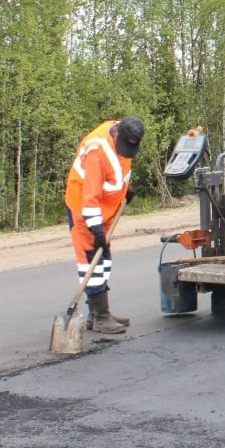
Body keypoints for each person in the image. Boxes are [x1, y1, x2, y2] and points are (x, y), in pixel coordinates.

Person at [64, 117, 144, 334]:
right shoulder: (97, 152)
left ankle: (96, 313)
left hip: (107, 210)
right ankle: (101, 317)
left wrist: (124, 188)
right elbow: (90, 197)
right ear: (116, 134)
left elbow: (118, 168)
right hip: (85, 212)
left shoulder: (125, 131)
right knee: (91, 261)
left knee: (103, 259)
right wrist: (96, 229)